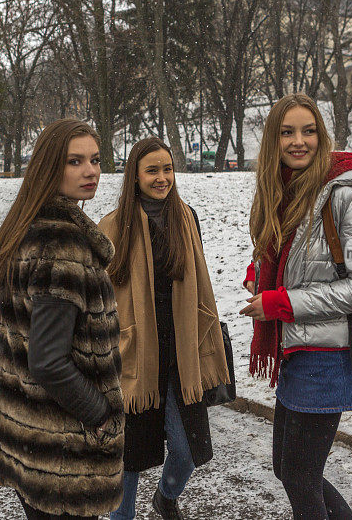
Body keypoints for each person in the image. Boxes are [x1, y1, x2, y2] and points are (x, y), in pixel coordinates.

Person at [0, 119, 124, 519]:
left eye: (95, 160)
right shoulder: (62, 244)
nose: (90, 171)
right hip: (62, 449)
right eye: (74, 161)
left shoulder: (25, 227)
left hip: (33, 438)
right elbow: (48, 361)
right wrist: (100, 416)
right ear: (49, 167)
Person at [240, 93, 352, 519]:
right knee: (287, 469)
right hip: (298, 349)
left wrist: (283, 301)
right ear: (273, 140)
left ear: (321, 135)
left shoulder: (344, 191)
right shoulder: (280, 188)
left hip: (330, 355)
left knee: (300, 477)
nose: (298, 141)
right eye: (287, 132)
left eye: (309, 131)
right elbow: (287, 255)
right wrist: (261, 276)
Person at [98, 137, 229, 520]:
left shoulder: (186, 219)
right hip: (134, 356)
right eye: (152, 170)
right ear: (134, 176)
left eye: (167, 169)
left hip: (181, 354)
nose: (162, 178)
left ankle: (166, 495)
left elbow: (198, 285)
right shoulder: (112, 226)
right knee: (130, 460)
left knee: (189, 450)